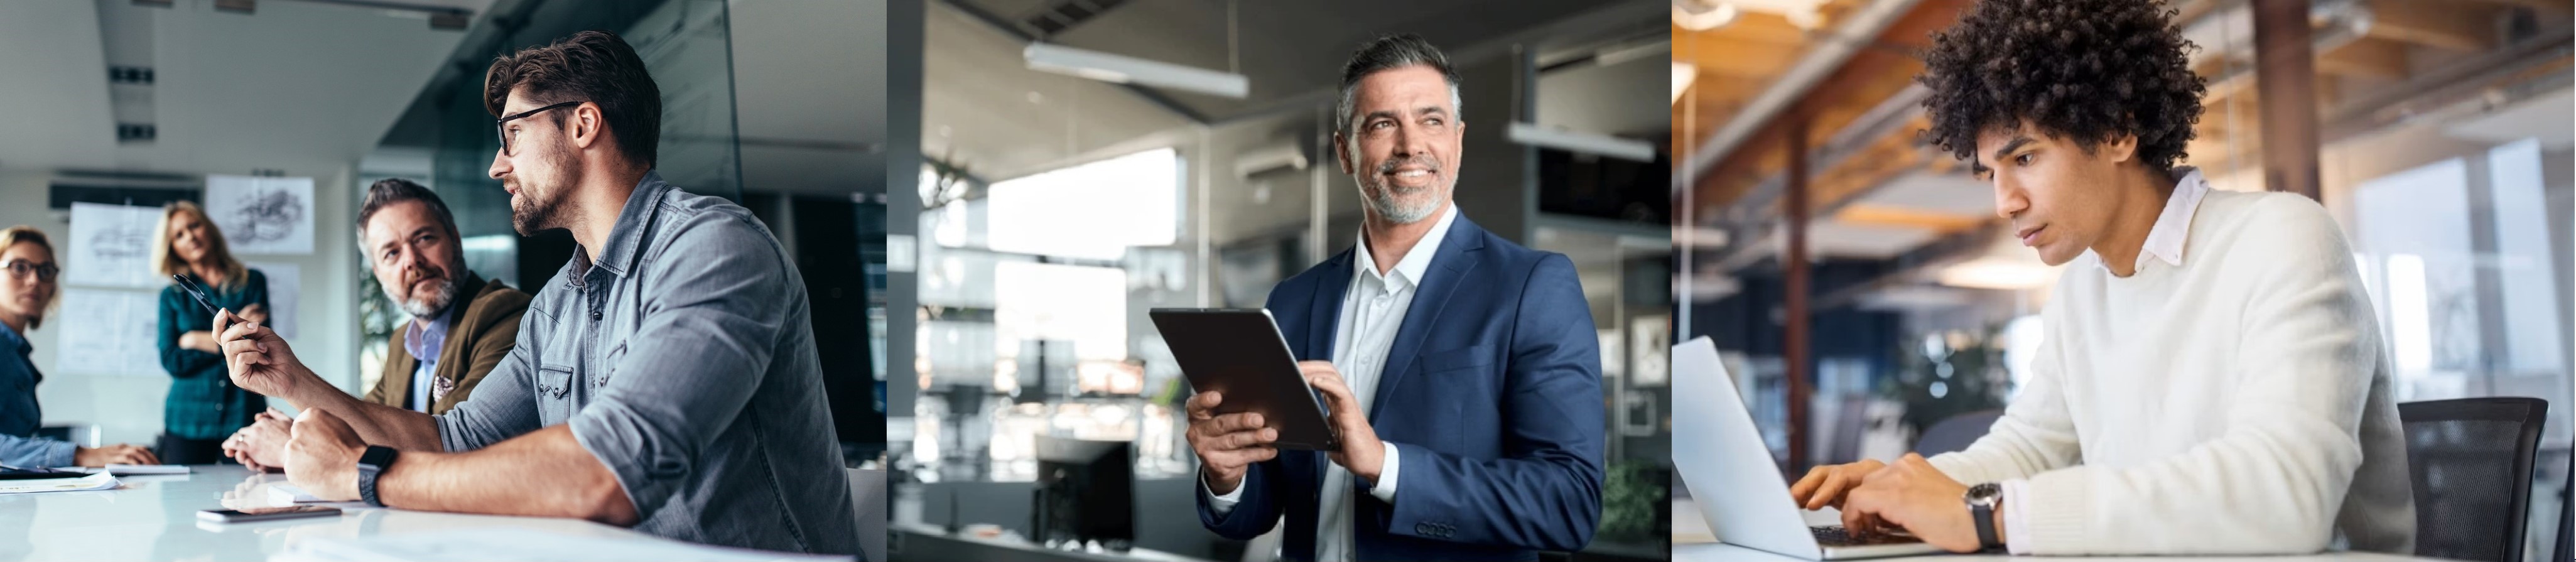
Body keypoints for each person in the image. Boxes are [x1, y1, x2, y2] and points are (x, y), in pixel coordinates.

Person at [1786, 0, 2413, 554]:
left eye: (2025, 157)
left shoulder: (2281, 238)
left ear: (2116, 132)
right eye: (1991, 174)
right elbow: (2030, 449)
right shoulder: (2081, 292)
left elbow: (2284, 491)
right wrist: (1903, 487)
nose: (2003, 202)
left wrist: (1989, 514)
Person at [211, 30, 857, 556]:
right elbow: (453, 438)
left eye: (513, 134)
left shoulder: (714, 249)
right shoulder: (556, 305)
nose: (498, 165)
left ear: (583, 125)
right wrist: (292, 380)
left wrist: (362, 473)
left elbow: (608, 470)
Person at [1187, 34, 1604, 561]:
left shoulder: (1531, 287)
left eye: (1431, 121)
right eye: (1383, 124)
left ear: (1458, 140)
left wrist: (1387, 466)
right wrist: (1226, 474)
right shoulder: (1294, 300)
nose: (1411, 145)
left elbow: (1569, 503)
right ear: (1345, 151)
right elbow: (1265, 504)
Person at [222, 178, 532, 471]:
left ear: (455, 239)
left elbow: (453, 445)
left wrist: (293, 447)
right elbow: (364, 424)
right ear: (378, 273)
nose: (411, 260)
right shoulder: (403, 341)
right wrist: (298, 432)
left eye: (424, 238)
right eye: (392, 253)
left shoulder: (505, 314)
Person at [0, 226, 159, 468]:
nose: (34, 280)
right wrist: (80, 455)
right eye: (19, 268)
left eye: (45, 271)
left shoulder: (16, 353)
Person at [154, 201, 270, 465]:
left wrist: (193, 340)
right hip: (187, 420)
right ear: (172, 247)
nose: (190, 237)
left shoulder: (252, 282)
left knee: (250, 489)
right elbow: (172, 360)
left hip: (243, 414)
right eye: (179, 235)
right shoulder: (171, 296)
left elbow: (257, 345)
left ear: (209, 228)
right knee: (185, 492)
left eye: (194, 226)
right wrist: (231, 338)